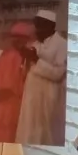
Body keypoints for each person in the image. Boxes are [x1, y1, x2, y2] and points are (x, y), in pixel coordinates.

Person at [16, 10, 68, 145]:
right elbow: (26, 70)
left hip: (49, 96)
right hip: (31, 95)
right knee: (29, 131)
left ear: (51, 26)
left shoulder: (62, 44)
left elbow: (57, 74)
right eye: (36, 26)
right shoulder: (35, 43)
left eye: (40, 26)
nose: (37, 30)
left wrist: (36, 60)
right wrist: (25, 58)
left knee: (47, 134)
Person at [0, 21, 34, 143]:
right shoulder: (4, 55)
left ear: (27, 39)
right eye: (14, 37)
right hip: (0, 107)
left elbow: (31, 82)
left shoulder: (30, 58)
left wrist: (14, 92)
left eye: (21, 37)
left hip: (19, 106)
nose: (17, 40)